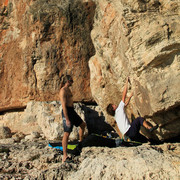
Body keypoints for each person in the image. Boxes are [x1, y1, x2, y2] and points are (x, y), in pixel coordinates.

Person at [106, 77, 158, 143]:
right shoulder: (119, 109)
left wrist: (130, 97)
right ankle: (149, 128)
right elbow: (124, 95)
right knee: (139, 119)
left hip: (128, 135)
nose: (114, 104)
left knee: (144, 140)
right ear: (113, 108)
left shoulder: (116, 116)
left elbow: (125, 104)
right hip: (130, 130)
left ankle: (150, 141)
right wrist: (126, 82)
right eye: (113, 105)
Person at [59, 74, 86, 163]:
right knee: (67, 133)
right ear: (68, 81)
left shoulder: (68, 89)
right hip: (67, 112)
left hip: (72, 111)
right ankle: (65, 156)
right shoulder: (63, 91)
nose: (72, 82)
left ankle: (81, 143)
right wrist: (67, 119)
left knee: (82, 125)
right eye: (71, 80)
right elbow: (63, 106)